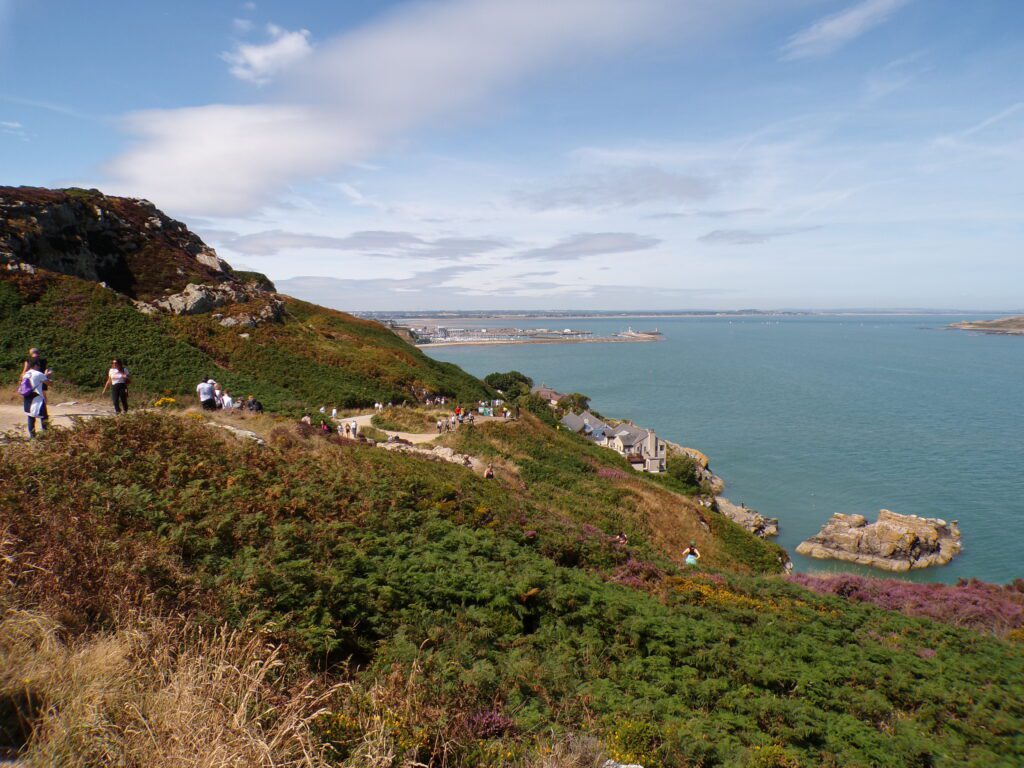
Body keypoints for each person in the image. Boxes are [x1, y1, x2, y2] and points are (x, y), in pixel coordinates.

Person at [21, 360, 50, 438]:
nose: (39, 367)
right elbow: (50, 383)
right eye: (38, 365)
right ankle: (46, 435)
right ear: (35, 365)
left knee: (31, 417)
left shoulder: (26, 374)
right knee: (44, 417)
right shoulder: (39, 374)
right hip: (38, 398)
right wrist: (47, 375)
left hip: (27, 397)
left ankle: (32, 436)